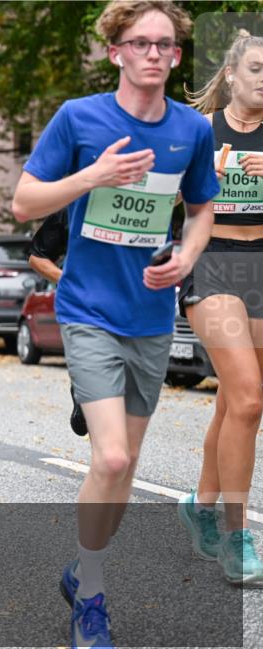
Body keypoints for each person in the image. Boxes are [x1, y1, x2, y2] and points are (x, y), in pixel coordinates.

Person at [11, 2, 219, 649]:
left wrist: (186, 258)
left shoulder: (191, 129)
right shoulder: (80, 118)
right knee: (113, 459)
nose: (154, 54)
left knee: (122, 471)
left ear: (177, 57)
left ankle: (82, 567)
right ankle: (93, 598)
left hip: (152, 319)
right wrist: (94, 175)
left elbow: (203, 204)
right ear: (116, 53)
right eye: (141, 43)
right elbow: (23, 203)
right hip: (87, 310)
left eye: (166, 45)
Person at [178, 29, 263, 584]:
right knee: (250, 401)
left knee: (235, 402)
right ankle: (239, 535)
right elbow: (166, 203)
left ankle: (200, 505)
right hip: (212, 263)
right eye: (255, 68)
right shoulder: (201, 133)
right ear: (231, 75)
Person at [27, 209, 89, 437]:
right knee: (99, 396)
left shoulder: (149, 201)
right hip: (87, 311)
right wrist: (69, 282)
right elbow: (36, 256)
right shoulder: (74, 206)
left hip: (135, 309)